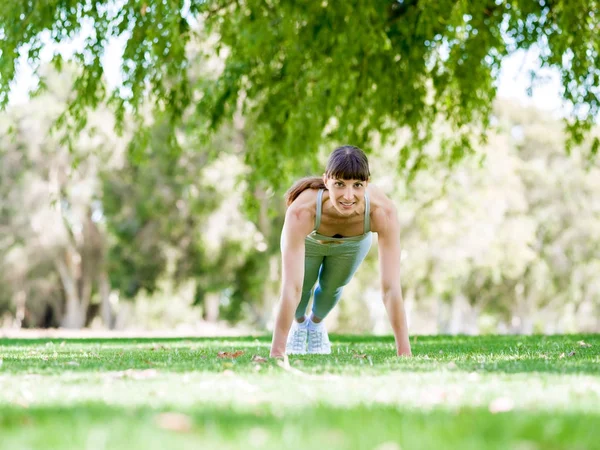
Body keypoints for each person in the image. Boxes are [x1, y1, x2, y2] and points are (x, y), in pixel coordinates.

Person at [270, 145, 412, 357]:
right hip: (310, 241)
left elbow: (390, 288)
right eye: (339, 184)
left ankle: (316, 324)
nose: (348, 196)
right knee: (303, 286)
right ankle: (299, 325)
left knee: (332, 287)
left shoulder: (383, 212)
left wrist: (404, 351)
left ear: (367, 183)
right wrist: (277, 352)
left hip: (353, 244)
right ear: (326, 180)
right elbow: (291, 287)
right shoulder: (302, 211)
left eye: (357, 185)